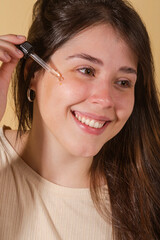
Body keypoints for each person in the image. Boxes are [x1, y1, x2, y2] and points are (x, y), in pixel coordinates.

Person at [0, 0, 160, 239]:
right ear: (33, 72)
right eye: (86, 70)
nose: (105, 99)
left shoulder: (149, 196)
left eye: (123, 82)